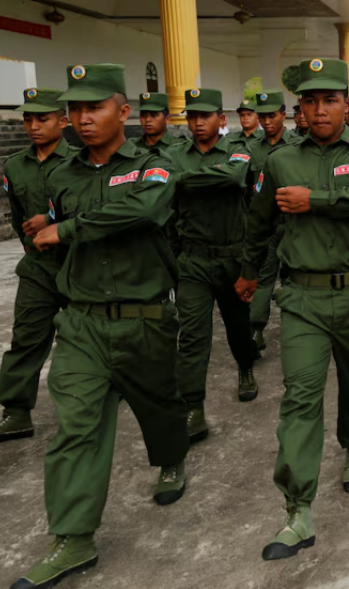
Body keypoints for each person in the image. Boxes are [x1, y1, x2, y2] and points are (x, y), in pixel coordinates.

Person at [11, 64, 189, 589]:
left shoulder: (155, 165)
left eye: (94, 108)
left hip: (145, 317)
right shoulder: (62, 174)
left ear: (124, 111)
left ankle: (172, 460)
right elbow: (46, 223)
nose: (82, 119)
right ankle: (73, 537)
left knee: (159, 405)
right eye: (75, 110)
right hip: (83, 321)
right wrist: (50, 230)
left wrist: (63, 229)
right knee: (75, 429)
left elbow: (140, 212)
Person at [236, 58, 349, 560]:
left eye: (331, 99)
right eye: (311, 100)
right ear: (299, 109)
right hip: (302, 296)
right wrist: (249, 273)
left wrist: (319, 200)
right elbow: (259, 222)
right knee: (300, 398)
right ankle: (296, 509)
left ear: (348, 106)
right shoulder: (279, 161)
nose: (321, 109)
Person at [168, 88, 260, 445]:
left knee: (238, 326)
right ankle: (193, 407)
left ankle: (246, 367)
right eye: (192, 117)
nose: (197, 122)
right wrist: (200, 178)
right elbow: (168, 191)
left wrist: (183, 180)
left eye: (204, 116)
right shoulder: (176, 154)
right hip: (192, 260)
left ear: (221, 120)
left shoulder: (238, 151)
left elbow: (234, 178)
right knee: (192, 336)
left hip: (232, 256)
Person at [0, 88, 74, 443]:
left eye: (41, 118)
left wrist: (53, 220)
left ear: (62, 121)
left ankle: (110, 387)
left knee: (90, 337)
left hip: (79, 265)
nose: (32, 126)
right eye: (27, 119)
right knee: (27, 337)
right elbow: (17, 216)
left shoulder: (82, 160)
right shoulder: (14, 165)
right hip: (38, 269)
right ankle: (16, 410)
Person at [249, 90, 301, 349]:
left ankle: (298, 331)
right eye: (262, 117)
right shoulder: (250, 148)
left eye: (271, 116)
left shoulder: (297, 145)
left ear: (283, 114)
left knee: (294, 280)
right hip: (266, 226)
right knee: (264, 278)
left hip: (293, 226)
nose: (266, 122)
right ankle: (256, 329)